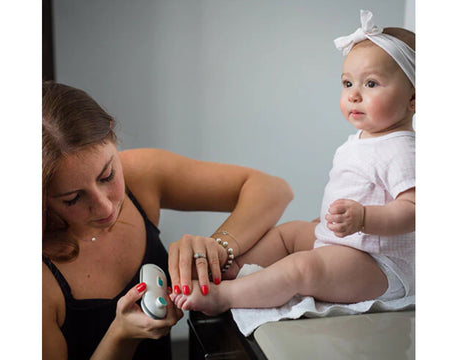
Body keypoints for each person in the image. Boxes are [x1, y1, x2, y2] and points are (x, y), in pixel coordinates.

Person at [170, 10, 415, 316]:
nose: (353, 95)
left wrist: (363, 218)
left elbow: (414, 211)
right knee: (287, 233)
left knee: (303, 267)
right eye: (347, 83)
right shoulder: (362, 140)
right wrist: (326, 223)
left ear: (414, 99)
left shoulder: (403, 150)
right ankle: (233, 269)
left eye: (371, 84)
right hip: (347, 244)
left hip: (380, 266)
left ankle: (226, 294)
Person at [42, 81, 294, 359]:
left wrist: (218, 246)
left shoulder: (141, 173)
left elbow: (273, 189)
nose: (104, 207)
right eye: (72, 198)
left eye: (107, 176)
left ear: (112, 134)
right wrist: (121, 335)